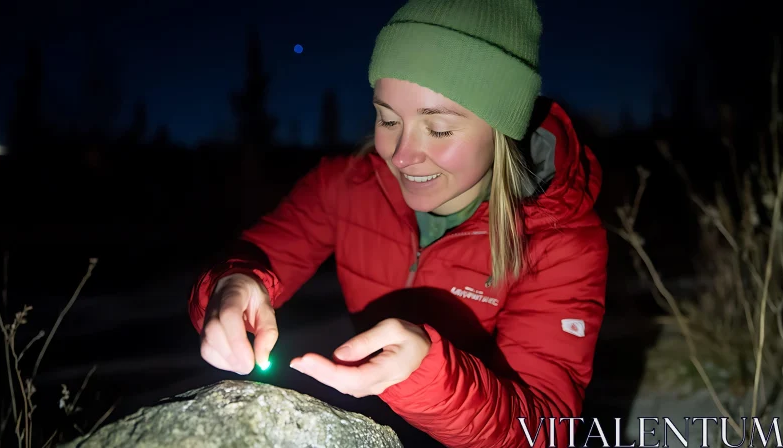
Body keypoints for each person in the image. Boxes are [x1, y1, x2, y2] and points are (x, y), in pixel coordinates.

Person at [188, 0, 608, 446]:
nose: (401, 155)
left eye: (439, 128)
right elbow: (259, 257)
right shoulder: (344, 184)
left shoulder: (561, 240)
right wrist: (231, 286)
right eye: (388, 119)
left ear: (502, 131)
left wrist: (428, 376)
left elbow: (546, 430)